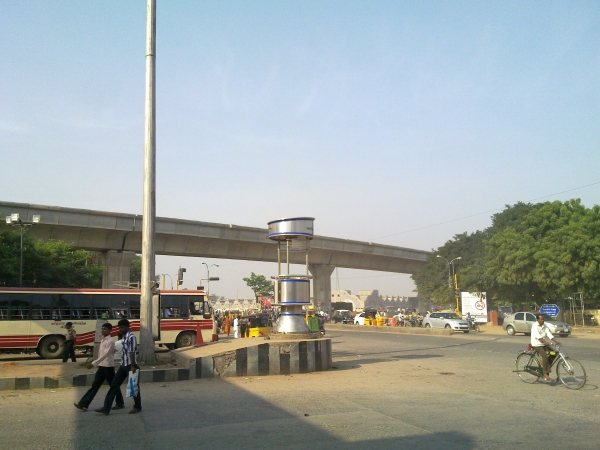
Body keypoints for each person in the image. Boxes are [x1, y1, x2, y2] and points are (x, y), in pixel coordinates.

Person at [74, 323, 124, 412]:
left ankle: (120, 403)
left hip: (108, 366)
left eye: (105, 329)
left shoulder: (111, 341)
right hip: (101, 366)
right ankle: (83, 404)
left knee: (113, 385)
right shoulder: (103, 340)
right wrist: (96, 363)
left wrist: (94, 363)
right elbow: (100, 354)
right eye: (102, 329)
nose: (102, 330)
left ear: (110, 331)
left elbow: (106, 354)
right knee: (95, 386)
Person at [96, 319, 141, 415]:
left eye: (122, 327)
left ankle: (137, 406)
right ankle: (106, 408)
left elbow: (132, 352)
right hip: (123, 365)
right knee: (114, 385)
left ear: (128, 327)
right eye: (119, 327)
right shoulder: (124, 337)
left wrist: (133, 366)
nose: (120, 329)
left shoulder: (131, 337)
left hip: (130, 365)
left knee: (134, 387)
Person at [531, 314, 561, 382]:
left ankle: (546, 367)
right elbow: (537, 335)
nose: (543, 320)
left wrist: (555, 341)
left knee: (554, 353)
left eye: (543, 319)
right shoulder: (534, 326)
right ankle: (545, 373)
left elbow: (549, 334)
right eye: (541, 319)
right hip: (536, 344)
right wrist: (544, 341)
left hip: (543, 344)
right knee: (544, 356)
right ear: (537, 320)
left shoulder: (544, 326)